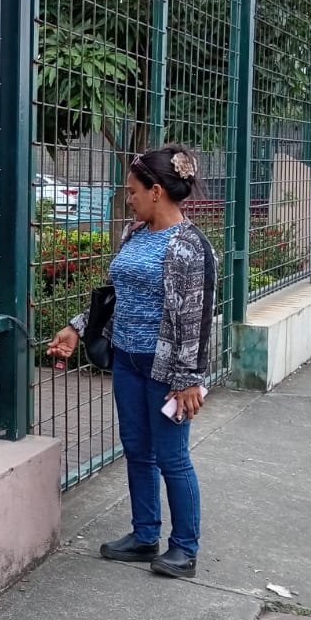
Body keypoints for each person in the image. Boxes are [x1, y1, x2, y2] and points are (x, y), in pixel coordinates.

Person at [46, 146, 216, 580]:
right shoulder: (134, 233)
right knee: (137, 450)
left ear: (156, 191)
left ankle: (185, 548)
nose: (129, 199)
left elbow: (195, 318)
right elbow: (117, 295)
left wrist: (188, 379)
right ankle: (145, 535)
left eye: (133, 191)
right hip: (126, 360)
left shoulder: (190, 246)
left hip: (167, 370)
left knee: (172, 457)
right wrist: (77, 327)